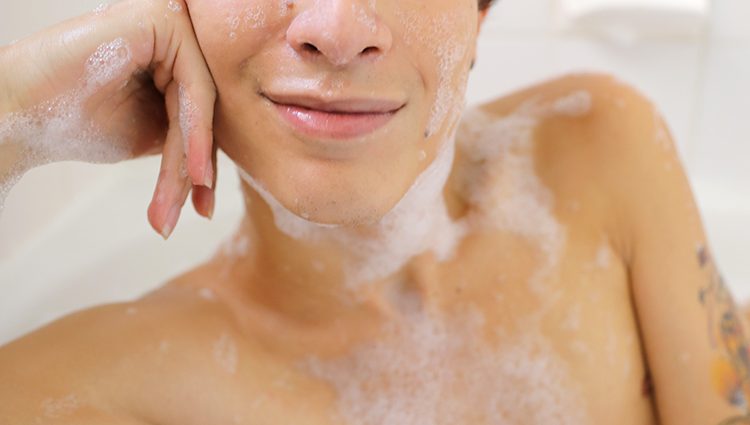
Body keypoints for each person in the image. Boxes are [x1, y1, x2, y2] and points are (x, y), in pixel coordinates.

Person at [0, 0, 748, 424]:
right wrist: (14, 111)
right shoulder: (100, 390)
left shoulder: (601, 150)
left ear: (480, 12)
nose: (338, 28)